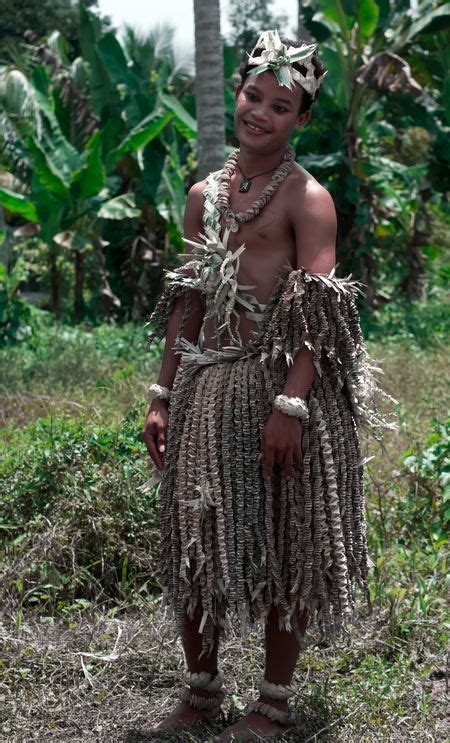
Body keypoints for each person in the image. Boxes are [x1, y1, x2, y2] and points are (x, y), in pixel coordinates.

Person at [142, 29, 394, 741]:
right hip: (209, 388)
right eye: (254, 95)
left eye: (281, 105)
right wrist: (163, 394)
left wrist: (291, 404)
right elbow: (187, 300)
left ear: (301, 119)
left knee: (289, 544)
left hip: (285, 390)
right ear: (238, 91)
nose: (259, 112)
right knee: (198, 536)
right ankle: (200, 691)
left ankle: (273, 702)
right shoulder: (202, 197)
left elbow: (319, 307)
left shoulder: (309, 200)